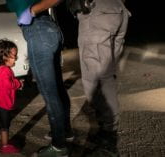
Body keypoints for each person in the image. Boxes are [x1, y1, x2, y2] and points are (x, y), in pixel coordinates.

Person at [6, 0, 73, 156]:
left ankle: (59, 147)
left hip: (37, 31)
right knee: (57, 88)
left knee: (50, 93)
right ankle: (65, 132)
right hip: (49, 29)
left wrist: (32, 11)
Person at [68, 0, 131, 155]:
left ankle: (108, 140)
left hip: (97, 11)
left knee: (95, 81)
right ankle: (108, 132)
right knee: (106, 76)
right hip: (118, 9)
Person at [0, 39, 24, 154]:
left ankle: (5, 143)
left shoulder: (3, 69)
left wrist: (16, 83)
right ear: (4, 57)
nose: (16, 58)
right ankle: (5, 146)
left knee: (5, 123)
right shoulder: (4, 70)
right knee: (5, 125)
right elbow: (7, 84)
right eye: (14, 56)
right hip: (2, 103)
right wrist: (18, 83)